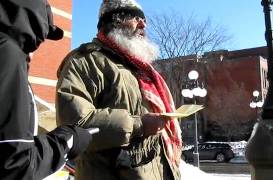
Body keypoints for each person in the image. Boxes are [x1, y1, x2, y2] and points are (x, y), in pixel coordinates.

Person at [55, 0, 182, 179]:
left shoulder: (141, 69)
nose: (143, 24)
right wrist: (140, 125)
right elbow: (74, 124)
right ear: (115, 20)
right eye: (136, 18)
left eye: (144, 19)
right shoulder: (85, 61)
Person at [0, 1, 92, 179]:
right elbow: (14, 163)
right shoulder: (7, 54)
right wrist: (67, 141)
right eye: (39, 38)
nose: (37, 47)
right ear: (33, 24)